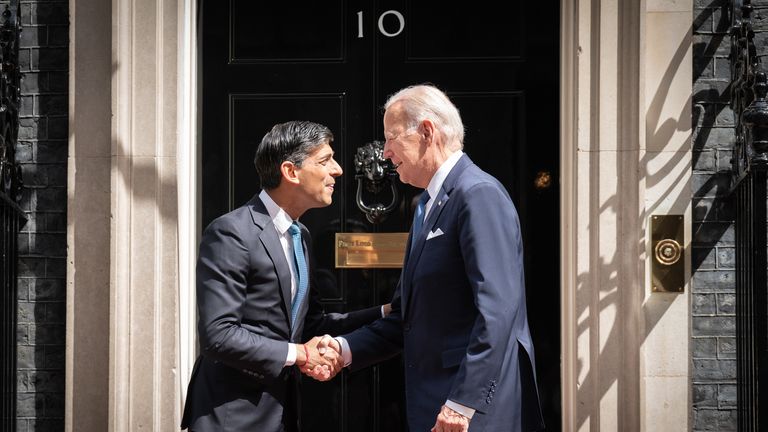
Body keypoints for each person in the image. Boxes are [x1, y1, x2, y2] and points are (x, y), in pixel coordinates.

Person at [316, 85, 545, 432]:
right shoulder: (426, 205)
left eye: (391, 139)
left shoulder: (477, 194)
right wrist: (343, 347)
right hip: (435, 404)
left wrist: (463, 403)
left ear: (427, 132)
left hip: (473, 413)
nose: (386, 153)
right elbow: (406, 315)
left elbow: (498, 312)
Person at [181, 120, 388, 432]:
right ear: (291, 172)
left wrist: (385, 313)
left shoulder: (299, 235)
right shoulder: (231, 232)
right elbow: (219, 335)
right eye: (324, 161)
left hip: (283, 412)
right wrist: (300, 354)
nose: (338, 170)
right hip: (232, 416)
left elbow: (311, 324)